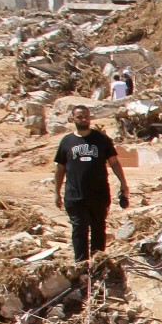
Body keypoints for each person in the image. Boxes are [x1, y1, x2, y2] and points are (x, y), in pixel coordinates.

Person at [52, 104, 129, 263]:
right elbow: (60, 168)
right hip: (75, 195)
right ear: (73, 119)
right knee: (79, 230)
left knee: (98, 228)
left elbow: (114, 162)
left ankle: (97, 262)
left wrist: (123, 183)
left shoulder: (101, 139)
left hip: (98, 194)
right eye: (79, 116)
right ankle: (81, 265)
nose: (83, 119)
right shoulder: (67, 141)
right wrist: (56, 192)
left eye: (86, 116)